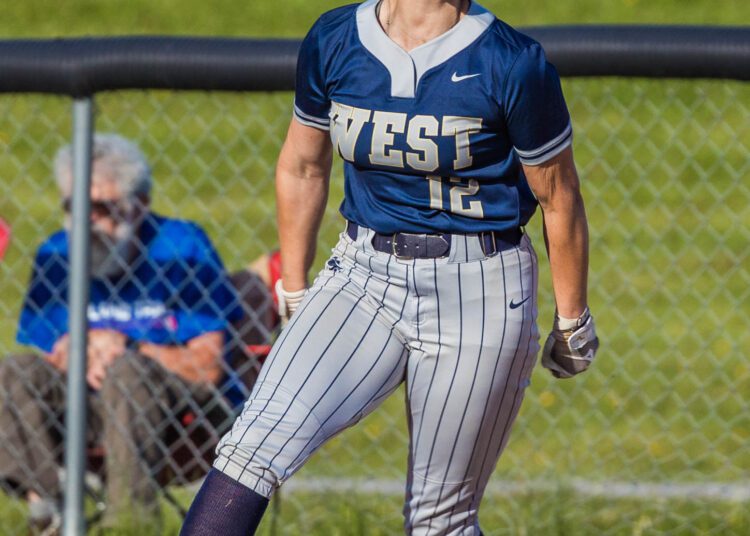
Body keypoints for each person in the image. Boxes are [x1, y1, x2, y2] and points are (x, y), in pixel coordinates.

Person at [182, 0, 600, 534]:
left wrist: (572, 318)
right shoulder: (337, 37)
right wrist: (294, 284)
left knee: (439, 521)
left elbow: (558, 197)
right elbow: (303, 166)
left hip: (480, 285)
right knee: (248, 451)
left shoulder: (511, 60)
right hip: (363, 273)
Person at [0, 133, 244, 533]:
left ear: (139, 205)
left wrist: (128, 348)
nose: (87, 221)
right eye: (75, 207)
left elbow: (208, 366)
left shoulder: (182, 247)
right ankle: (50, 507)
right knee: (13, 373)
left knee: (127, 373)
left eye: (101, 208)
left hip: (177, 415)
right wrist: (76, 348)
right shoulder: (56, 254)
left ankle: (129, 523)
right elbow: (46, 367)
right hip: (86, 409)